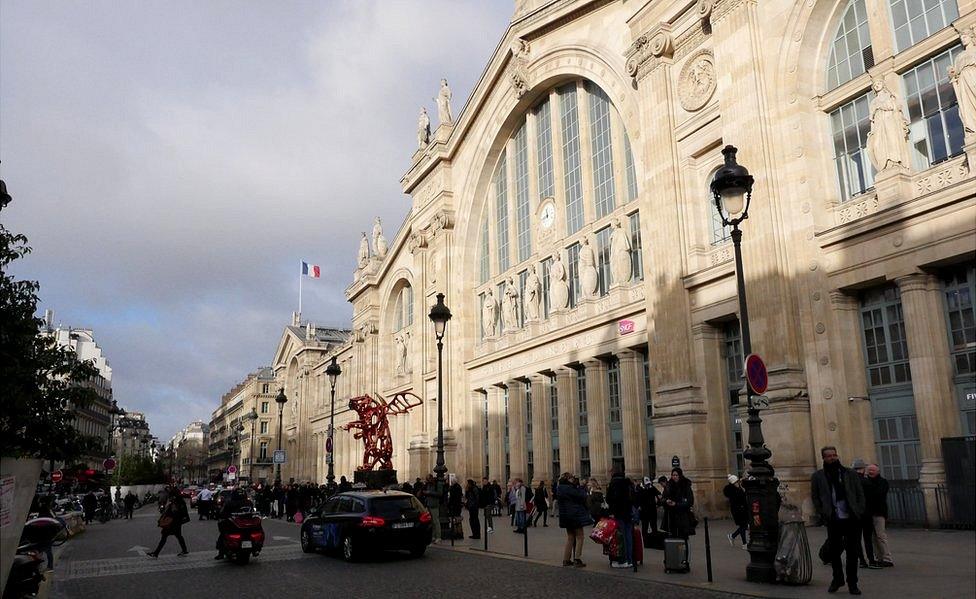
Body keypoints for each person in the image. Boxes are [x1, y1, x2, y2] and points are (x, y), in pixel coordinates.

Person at [811, 446, 866, 595]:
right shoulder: (818, 476)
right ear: (823, 458)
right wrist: (823, 513)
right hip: (833, 518)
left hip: (851, 518)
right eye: (828, 456)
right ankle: (837, 579)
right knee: (835, 553)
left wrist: (859, 510)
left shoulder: (849, 473)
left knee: (852, 553)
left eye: (834, 455)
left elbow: (859, 493)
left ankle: (852, 583)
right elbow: (815, 497)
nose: (832, 458)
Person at [557, 473, 592, 567]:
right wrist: (581, 487)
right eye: (572, 478)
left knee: (570, 537)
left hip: (565, 516)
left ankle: (566, 559)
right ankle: (577, 559)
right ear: (568, 479)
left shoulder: (560, 488)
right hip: (575, 515)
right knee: (580, 537)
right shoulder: (571, 489)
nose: (574, 480)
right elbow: (582, 496)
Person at [850, 458, 879, 569]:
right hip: (866, 513)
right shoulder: (867, 482)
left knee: (857, 539)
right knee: (867, 538)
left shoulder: (850, 483)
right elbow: (872, 498)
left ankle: (861, 560)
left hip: (855, 514)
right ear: (862, 469)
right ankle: (871, 560)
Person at [863, 464, 893, 568]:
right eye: (869, 470)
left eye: (873, 470)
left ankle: (887, 558)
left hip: (879, 512)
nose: (871, 472)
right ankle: (879, 557)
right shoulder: (865, 481)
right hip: (869, 513)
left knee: (880, 535)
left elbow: (878, 494)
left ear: (878, 471)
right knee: (873, 537)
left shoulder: (882, 482)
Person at [147, 486, 189, 558]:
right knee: (178, 536)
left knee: (165, 537)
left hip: (172, 523)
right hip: (175, 522)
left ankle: (156, 553)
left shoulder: (176, 502)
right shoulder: (178, 501)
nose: (170, 497)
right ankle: (184, 550)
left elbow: (175, 512)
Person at [606, 467, 635, 568]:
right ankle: (630, 559)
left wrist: (612, 512)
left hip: (618, 514)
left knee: (620, 538)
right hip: (628, 513)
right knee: (628, 537)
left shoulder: (614, 483)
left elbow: (610, 499)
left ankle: (623, 560)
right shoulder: (627, 483)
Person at [214, 488, 252, 560]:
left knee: (223, 534)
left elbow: (222, 513)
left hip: (236, 526)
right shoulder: (249, 502)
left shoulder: (230, 503)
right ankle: (222, 552)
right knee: (224, 533)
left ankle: (221, 553)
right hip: (246, 526)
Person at [661, 468, 694, 540]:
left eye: (676, 475)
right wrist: (666, 501)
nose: (674, 477)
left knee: (683, 538)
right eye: (673, 475)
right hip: (672, 516)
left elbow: (690, 501)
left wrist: (676, 504)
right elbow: (663, 499)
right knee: (674, 538)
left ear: (680, 475)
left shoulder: (686, 485)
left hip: (683, 516)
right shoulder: (669, 485)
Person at [723, 475, 748, 549]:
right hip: (738, 511)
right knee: (743, 526)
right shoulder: (734, 491)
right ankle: (744, 543)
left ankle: (733, 536)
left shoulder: (738, 489)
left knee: (743, 526)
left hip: (741, 510)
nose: (738, 483)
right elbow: (741, 499)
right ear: (733, 483)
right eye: (737, 482)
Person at [421, 475, 443, 543]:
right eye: (426, 479)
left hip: (434, 504)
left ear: (431, 478)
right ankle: (433, 536)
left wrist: (429, 492)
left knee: (436, 521)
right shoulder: (428, 484)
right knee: (431, 522)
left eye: (428, 479)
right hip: (428, 504)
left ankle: (438, 537)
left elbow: (440, 493)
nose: (427, 480)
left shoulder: (437, 484)